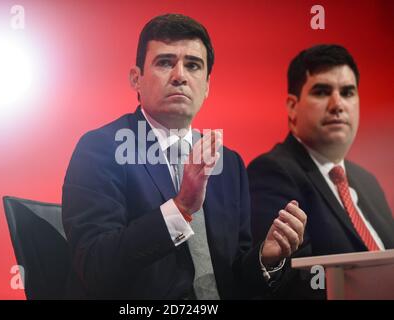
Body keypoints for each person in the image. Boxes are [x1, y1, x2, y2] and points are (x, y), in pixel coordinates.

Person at [62, 13, 306, 299]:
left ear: (207, 86)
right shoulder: (102, 149)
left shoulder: (228, 165)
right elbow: (95, 266)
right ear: (136, 79)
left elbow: (234, 280)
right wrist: (180, 209)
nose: (180, 76)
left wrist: (265, 258)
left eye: (193, 65)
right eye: (165, 62)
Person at [247, 44, 394, 299]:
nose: (337, 104)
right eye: (322, 91)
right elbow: (292, 280)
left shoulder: (367, 182)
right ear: (293, 107)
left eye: (347, 92)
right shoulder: (273, 172)